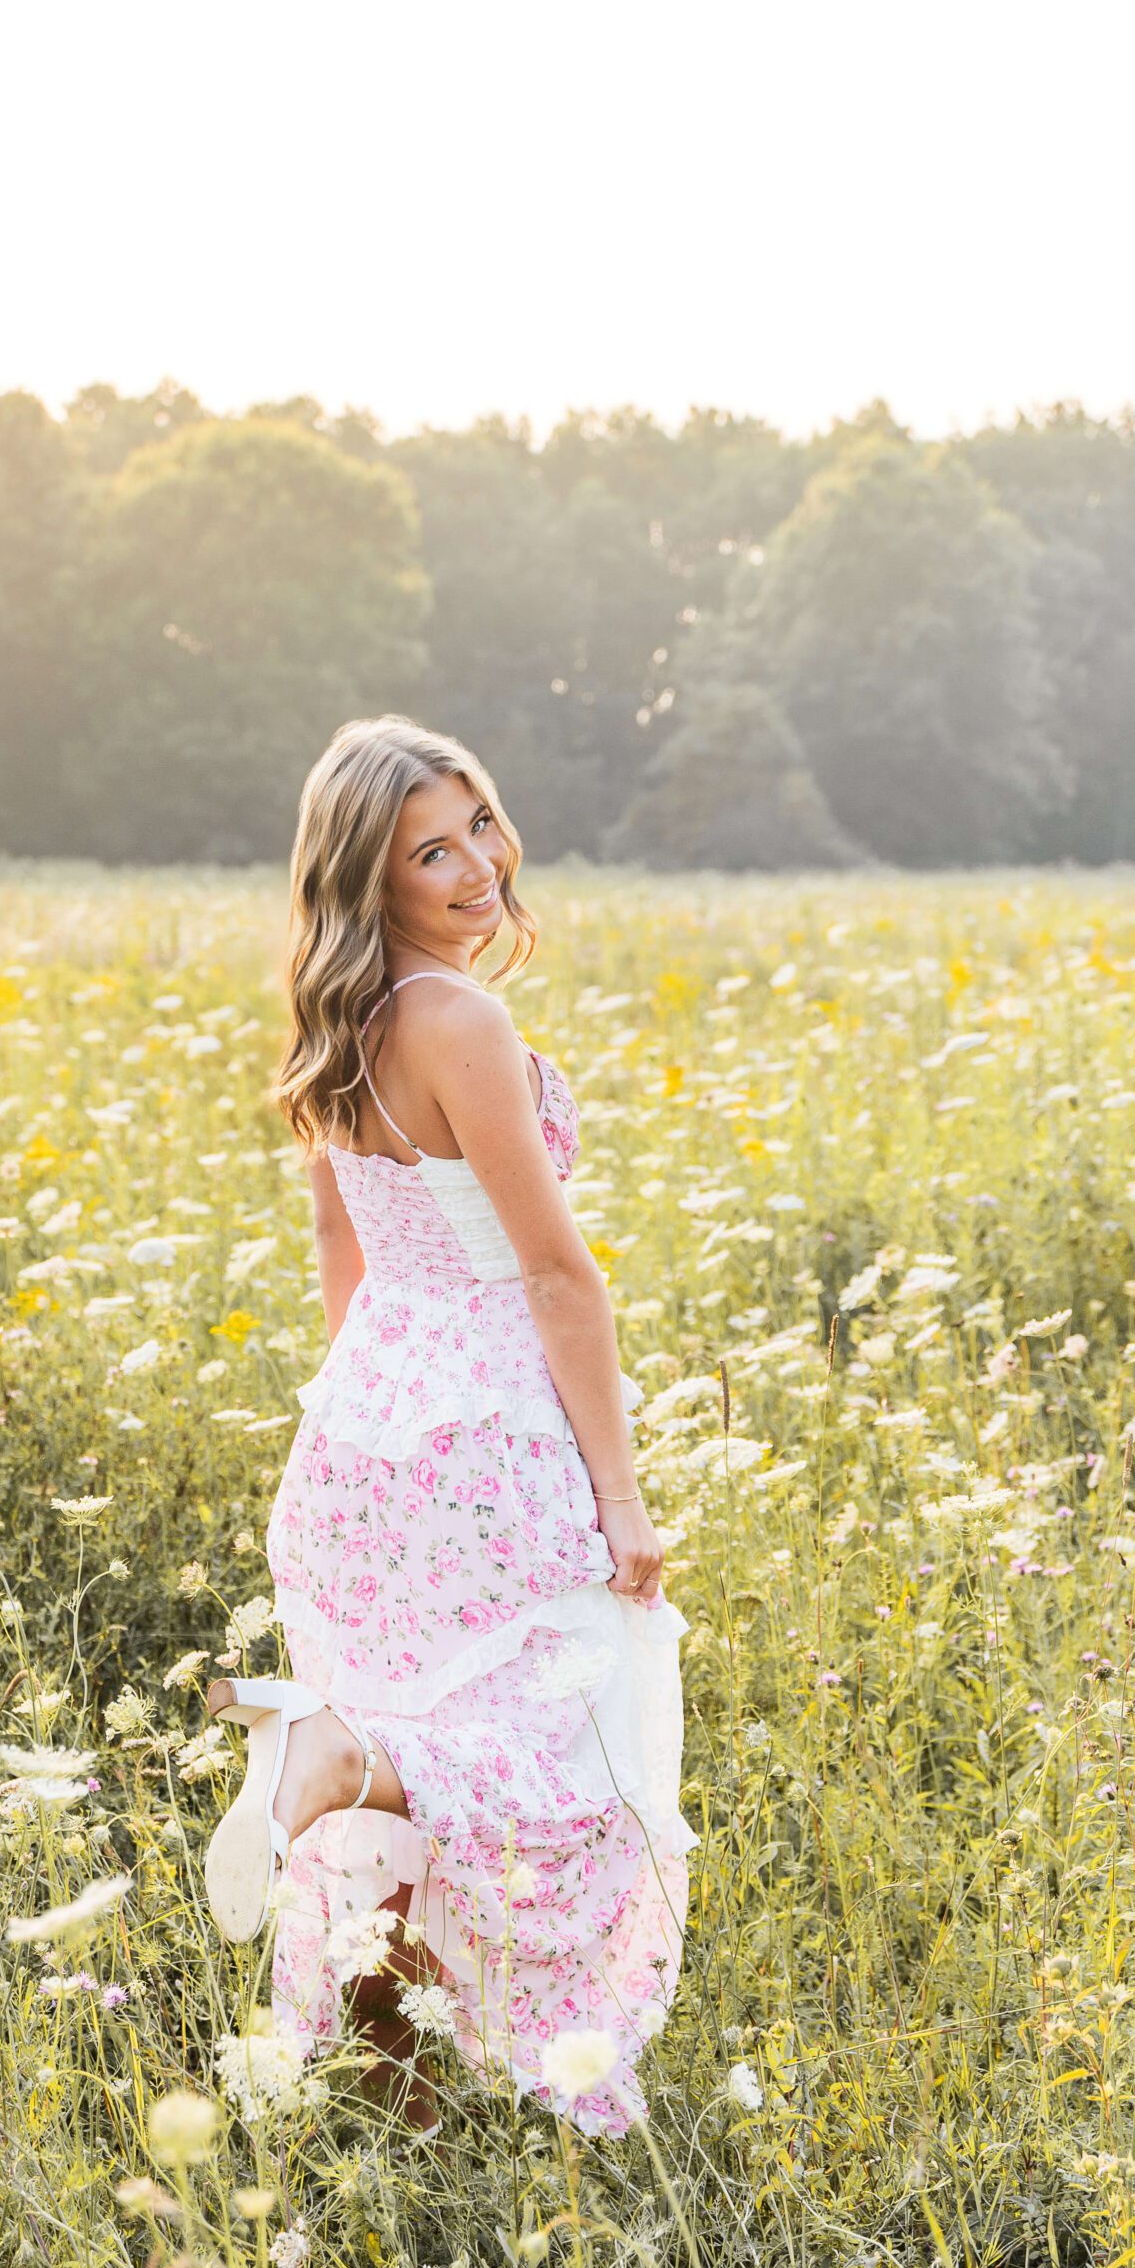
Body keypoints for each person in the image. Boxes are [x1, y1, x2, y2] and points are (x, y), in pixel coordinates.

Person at [203, 716, 696, 2138]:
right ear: (376, 873)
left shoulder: (340, 1013)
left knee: (399, 1844)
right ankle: (327, 1751)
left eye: (479, 820)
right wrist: (622, 1496)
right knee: (562, 1762)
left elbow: (343, 1243)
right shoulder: (458, 1021)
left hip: (362, 1434)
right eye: (435, 848)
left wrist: (366, 1422)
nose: (479, 862)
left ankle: (406, 2101)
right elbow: (556, 1274)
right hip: (488, 1441)